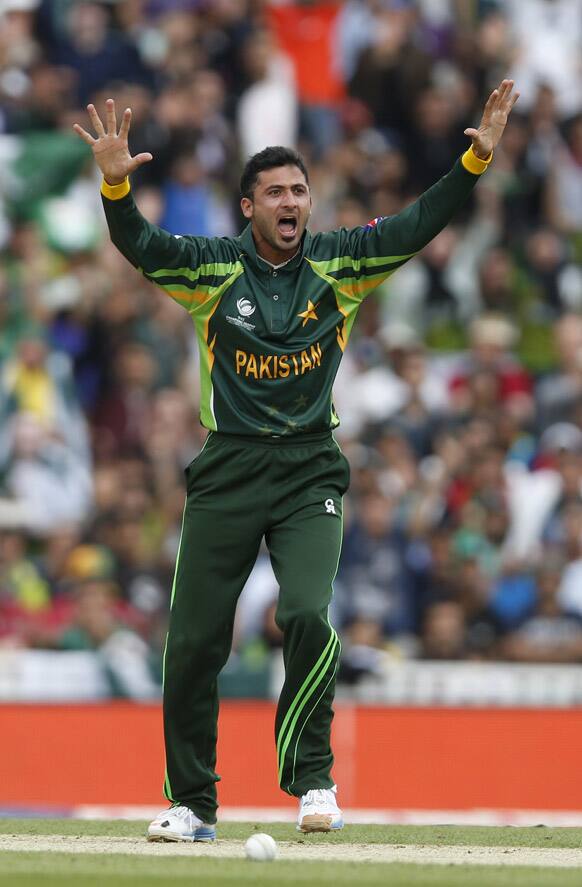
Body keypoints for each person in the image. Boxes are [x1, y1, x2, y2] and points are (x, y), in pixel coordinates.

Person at [73, 79, 519, 841]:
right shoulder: (213, 270)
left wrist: (471, 165)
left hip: (311, 468)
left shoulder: (341, 264)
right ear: (248, 207)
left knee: (309, 612)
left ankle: (313, 778)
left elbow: (416, 226)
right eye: (275, 191)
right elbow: (140, 247)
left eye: (300, 190)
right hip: (229, 471)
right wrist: (117, 187)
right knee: (192, 642)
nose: (291, 201)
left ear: (311, 203)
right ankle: (192, 802)